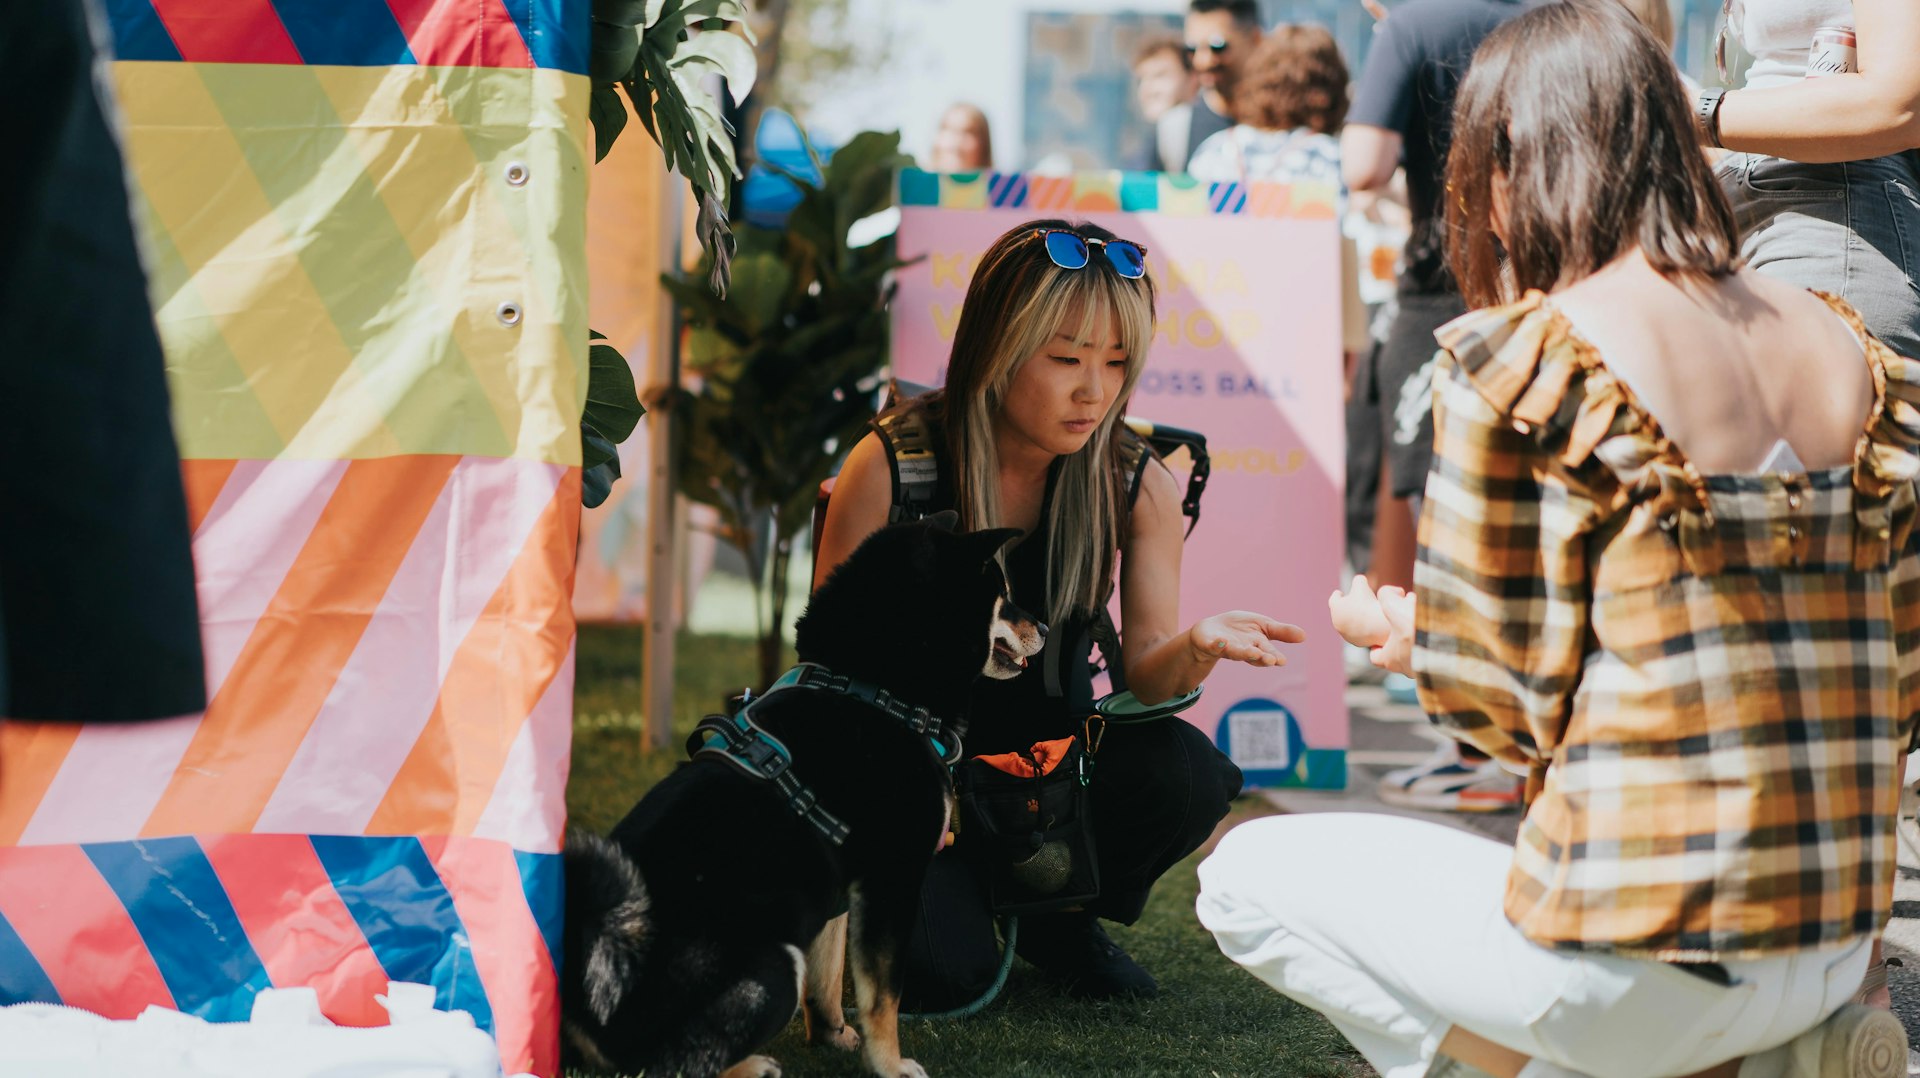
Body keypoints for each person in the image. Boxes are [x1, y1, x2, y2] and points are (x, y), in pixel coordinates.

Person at [1200, 4, 1918, 1076]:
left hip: (1634, 955)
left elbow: (1498, 714)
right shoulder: (1856, 348)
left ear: (1509, 165)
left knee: (1242, 878)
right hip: (1833, 940)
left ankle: (1630, 1064)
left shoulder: (1525, 357)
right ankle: (1772, 1049)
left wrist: (1404, 637)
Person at [814, 220, 1303, 1004]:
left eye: (1117, 363)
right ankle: (969, 898)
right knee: (939, 974)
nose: (1095, 391)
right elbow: (826, 674)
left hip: (1050, 770)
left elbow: (1145, 666)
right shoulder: (895, 463)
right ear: (996, 348)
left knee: (1186, 774)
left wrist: (1197, 645)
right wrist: (892, 797)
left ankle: (1059, 915)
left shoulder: (1136, 480)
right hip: (920, 775)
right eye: (1067, 359)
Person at [1341, 0, 1534, 812]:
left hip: (1447, 286)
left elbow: (1362, 163)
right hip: (1552, 283)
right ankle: (1524, 752)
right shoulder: (1561, 15)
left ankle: (1480, 749)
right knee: (1529, 516)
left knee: (1446, 515)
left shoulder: (1414, 25)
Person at [1185, 24, 1372, 370]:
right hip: (1299, 330)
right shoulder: (1329, 157)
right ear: (1329, 88)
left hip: (1217, 324)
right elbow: (1344, 256)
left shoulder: (1213, 152)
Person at [1170, 0, 1264, 173]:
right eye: (1192, 49)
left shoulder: (1280, 122)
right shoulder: (1175, 130)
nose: (1202, 61)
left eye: (1217, 47)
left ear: (1255, 40)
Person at [1128, 36, 1197, 173]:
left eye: (1160, 76)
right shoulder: (1148, 146)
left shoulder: (1213, 139)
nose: (1147, 89)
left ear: (1193, 80)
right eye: (1141, 80)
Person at [928, 102, 993, 173]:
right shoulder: (916, 181)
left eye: (968, 131)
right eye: (949, 129)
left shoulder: (1000, 183)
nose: (956, 140)